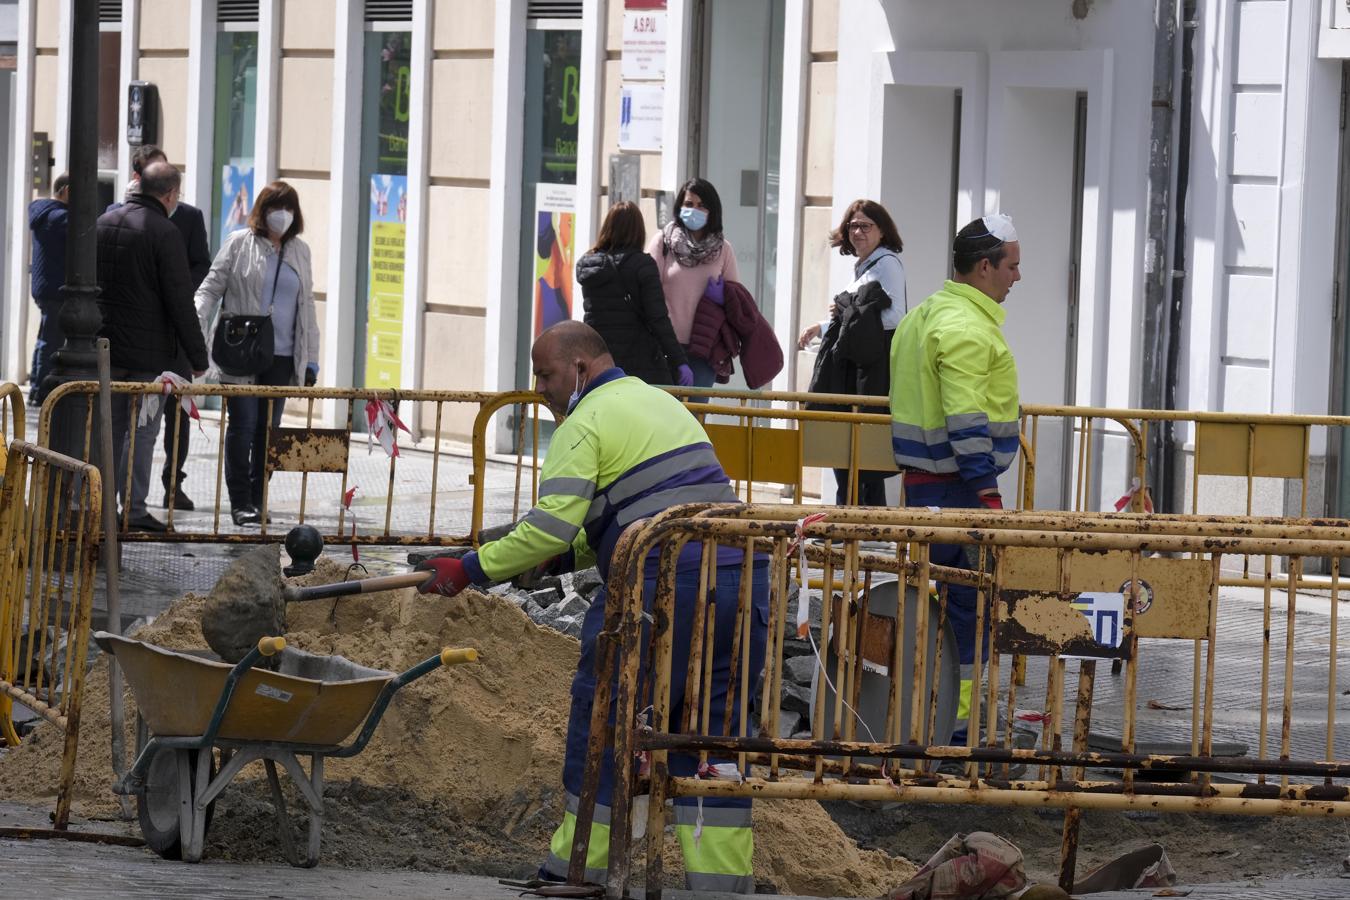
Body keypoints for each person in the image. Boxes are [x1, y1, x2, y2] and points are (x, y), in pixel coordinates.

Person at [416, 321, 766, 894]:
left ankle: (580, 868)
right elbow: (621, 510)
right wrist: (557, 559)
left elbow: (552, 527)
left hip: (659, 586)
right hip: (742, 583)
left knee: (607, 717)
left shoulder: (583, 425)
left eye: (546, 375)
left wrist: (469, 569)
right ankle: (721, 884)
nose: (540, 390)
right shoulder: (659, 404)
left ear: (580, 369)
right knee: (711, 736)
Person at [889, 213, 1021, 742]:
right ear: (985, 267)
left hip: (922, 487)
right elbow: (966, 419)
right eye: (1012, 265)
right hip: (960, 489)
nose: (1017, 276)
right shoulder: (964, 327)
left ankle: (918, 716)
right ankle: (958, 727)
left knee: (924, 604)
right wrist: (987, 495)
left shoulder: (923, 316)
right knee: (968, 610)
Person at [195, 181, 320, 527]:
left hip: (281, 356)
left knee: (270, 430)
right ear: (261, 211)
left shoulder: (300, 251)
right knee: (244, 426)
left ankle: (258, 497)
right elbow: (210, 289)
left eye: (289, 208)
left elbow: (307, 306)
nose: (282, 215)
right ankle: (240, 502)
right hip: (241, 353)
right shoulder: (239, 243)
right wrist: (195, 330)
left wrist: (311, 356)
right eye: (275, 207)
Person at [96, 161, 209, 532]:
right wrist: (197, 357)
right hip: (149, 357)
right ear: (171, 194)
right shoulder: (164, 232)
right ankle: (133, 507)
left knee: (108, 431)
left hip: (107, 350)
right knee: (142, 432)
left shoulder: (103, 223)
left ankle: (101, 506)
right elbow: (179, 300)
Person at [799, 199, 908, 505]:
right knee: (846, 445)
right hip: (853, 366)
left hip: (869, 370)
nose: (858, 232)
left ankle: (862, 519)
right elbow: (858, 314)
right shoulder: (863, 264)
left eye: (865, 226)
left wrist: (848, 310)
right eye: (853, 226)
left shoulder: (886, 262)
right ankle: (857, 515)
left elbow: (895, 316)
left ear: (882, 231)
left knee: (861, 448)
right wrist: (823, 326)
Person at [576, 201, 692, 387]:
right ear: (638, 231)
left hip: (600, 361)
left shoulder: (590, 267)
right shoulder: (642, 266)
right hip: (639, 362)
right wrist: (679, 361)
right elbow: (658, 319)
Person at [647, 178, 740, 388]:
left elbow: (737, 300)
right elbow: (647, 292)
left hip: (705, 348)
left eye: (701, 205)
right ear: (680, 207)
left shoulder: (723, 250)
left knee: (694, 415)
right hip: (664, 347)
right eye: (689, 204)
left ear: (712, 210)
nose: (694, 210)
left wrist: (722, 297)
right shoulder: (663, 243)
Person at [27, 174, 69, 406]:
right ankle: (40, 390)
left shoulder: (44, 214)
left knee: (45, 338)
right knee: (49, 340)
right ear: (66, 191)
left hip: (45, 286)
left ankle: (36, 388)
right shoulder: (59, 218)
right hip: (55, 288)